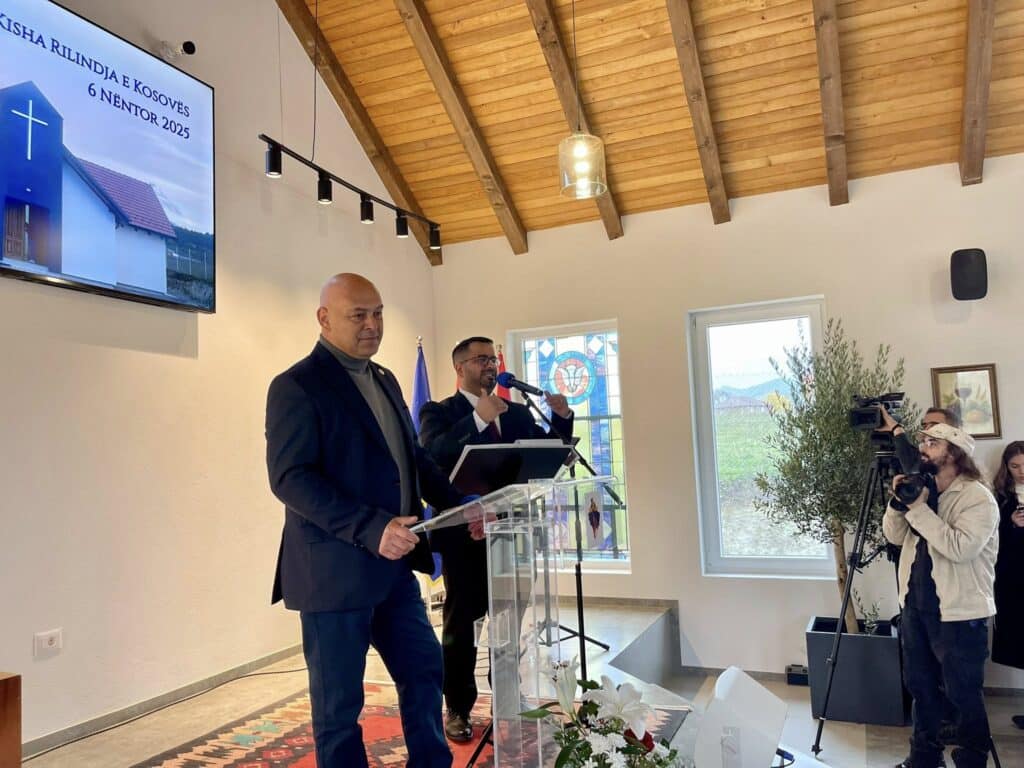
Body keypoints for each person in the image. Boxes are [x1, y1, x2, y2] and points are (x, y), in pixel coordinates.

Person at [265, 273, 467, 768]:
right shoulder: (296, 386)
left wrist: (461, 506)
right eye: (359, 315)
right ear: (324, 318)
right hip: (333, 575)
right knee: (339, 709)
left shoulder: (385, 379)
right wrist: (372, 528)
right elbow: (291, 479)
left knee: (425, 670)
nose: (372, 325)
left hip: (394, 571)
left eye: (378, 313)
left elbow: (413, 459)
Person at [418, 336, 574, 743]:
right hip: (465, 536)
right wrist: (477, 419)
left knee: (509, 621)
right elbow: (432, 456)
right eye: (481, 359)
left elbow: (547, 453)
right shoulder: (438, 412)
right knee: (463, 624)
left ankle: (506, 695)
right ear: (460, 368)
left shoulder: (517, 413)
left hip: (515, 533)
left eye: (493, 359)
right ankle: (458, 706)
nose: (490, 365)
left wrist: (561, 420)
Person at [883, 423, 999, 768]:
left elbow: (960, 548)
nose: (922, 448)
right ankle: (924, 758)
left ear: (954, 454)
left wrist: (919, 509)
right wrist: (898, 503)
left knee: (963, 694)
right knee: (920, 687)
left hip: (960, 612)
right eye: (922, 441)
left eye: (932, 443)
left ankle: (971, 761)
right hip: (915, 605)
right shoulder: (923, 488)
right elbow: (894, 537)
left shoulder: (977, 498)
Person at [991, 441, 1024, 730]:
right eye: (1015, 466)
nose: (1022, 471)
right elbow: (991, 540)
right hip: (1014, 580)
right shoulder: (1000, 497)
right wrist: (1011, 524)